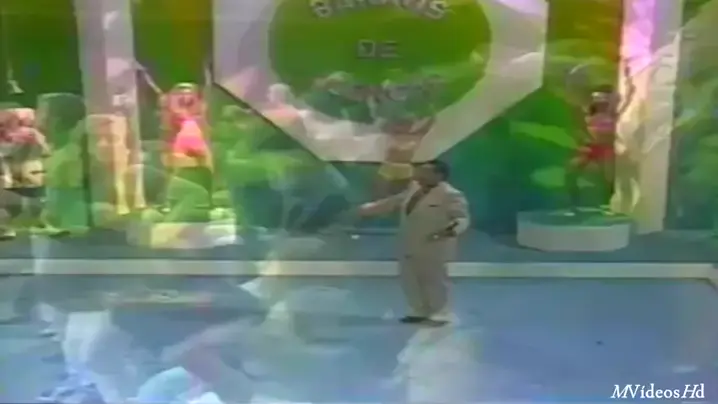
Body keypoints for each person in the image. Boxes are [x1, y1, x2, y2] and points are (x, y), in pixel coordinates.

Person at [355, 160, 469, 326]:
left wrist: (447, 232)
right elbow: (393, 202)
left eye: (426, 172)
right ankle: (418, 309)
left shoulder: (451, 195)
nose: (420, 175)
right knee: (409, 278)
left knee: (434, 278)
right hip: (409, 241)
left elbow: (461, 218)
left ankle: (440, 311)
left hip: (434, 244)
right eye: (420, 171)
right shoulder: (414, 189)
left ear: (439, 175)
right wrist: (366, 209)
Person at [565, 66, 635, 211]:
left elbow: (628, 98)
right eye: (598, 99)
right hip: (592, 147)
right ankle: (572, 202)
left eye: (604, 99)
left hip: (607, 149)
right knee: (572, 170)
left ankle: (612, 204)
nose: (601, 102)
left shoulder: (611, 114)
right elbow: (575, 101)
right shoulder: (588, 113)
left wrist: (628, 79)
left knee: (611, 179)